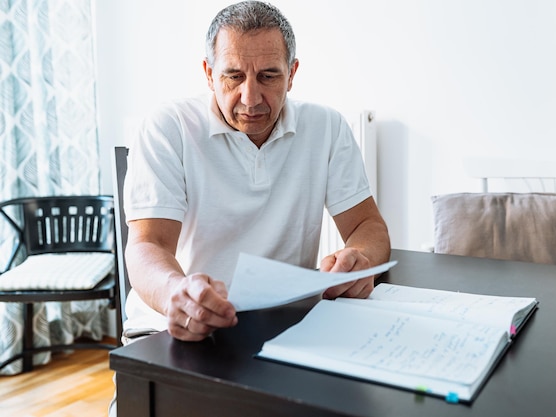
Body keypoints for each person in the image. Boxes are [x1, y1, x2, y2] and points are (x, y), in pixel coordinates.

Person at [122, 0, 391, 344]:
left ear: (292, 74)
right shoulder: (168, 127)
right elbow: (148, 244)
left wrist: (361, 259)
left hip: (283, 324)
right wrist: (176, 292)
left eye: (268, 76)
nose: (250, 98)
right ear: (208, 73)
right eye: (233, 76)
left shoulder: (327, 127)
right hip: (173, 327)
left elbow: (367, 226)